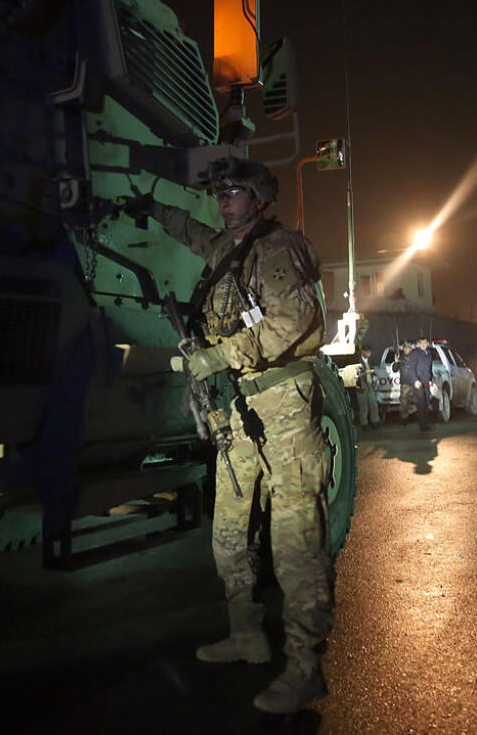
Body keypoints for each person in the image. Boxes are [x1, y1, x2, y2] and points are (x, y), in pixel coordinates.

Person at [127, 157, 333, 714]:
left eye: (236, 190)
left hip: (284, 407)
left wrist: (221, 355)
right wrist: (153, 209)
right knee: (228, 531)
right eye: (220, 192)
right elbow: (192, 233)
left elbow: (297, 322)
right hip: (239, 408)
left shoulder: (278, 249)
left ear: (260, 196)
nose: (224, 199)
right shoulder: (226, 250)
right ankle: (247, 633)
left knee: (296, 542)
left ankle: (304, 668)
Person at [407, 335, 434, 431]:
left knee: (426, 403)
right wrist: (415, 380)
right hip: (418, 382)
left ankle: (425, 423)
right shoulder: (415, 354)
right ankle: (422, 425)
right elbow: (411, 369)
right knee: (421, 403)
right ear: (419, 344)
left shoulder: (428, 354)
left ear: (427, 344)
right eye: (421, 343)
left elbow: (430, 370)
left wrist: (433, 381)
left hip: (426, 382)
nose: (423, 345)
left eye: (425, 343)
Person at [355, 345, 380, 431]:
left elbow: (373, 371)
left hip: (370, 386)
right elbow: (355, 374)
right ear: (363, 352)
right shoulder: (357, 362)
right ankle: (364, 424)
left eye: (370, 352)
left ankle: (375, 422)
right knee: (363, 407)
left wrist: (375, 376)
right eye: (368, 352)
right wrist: (365, 372)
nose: (370, 354)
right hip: (361, 387)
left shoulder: (371, 361)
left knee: (373, 405)